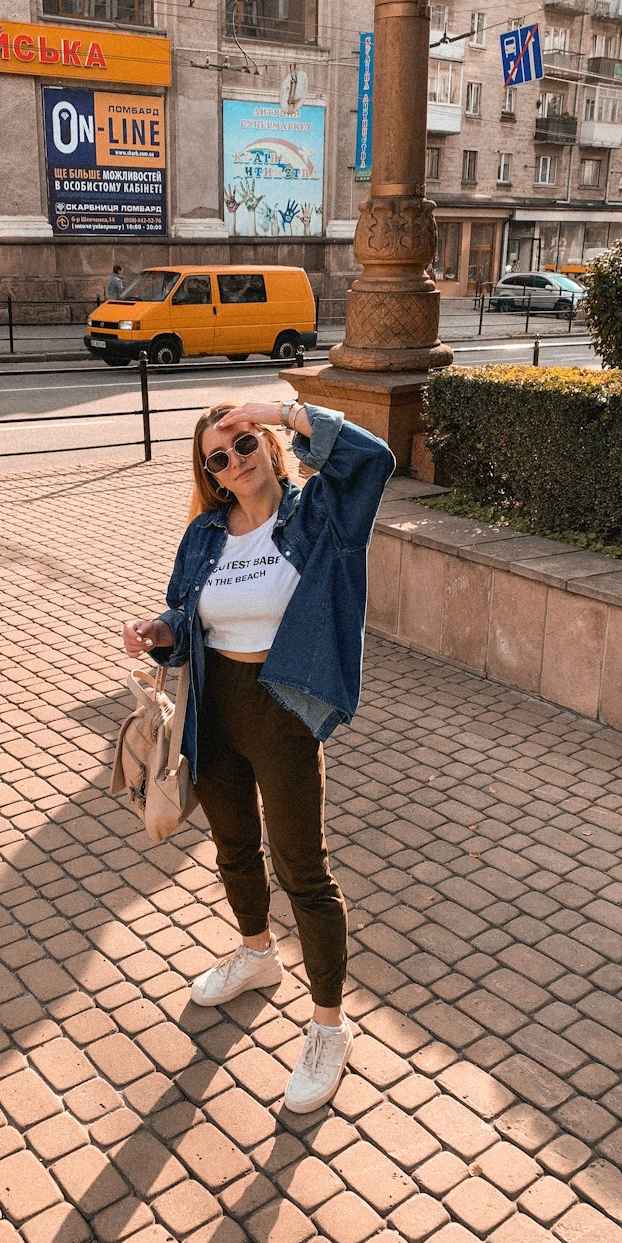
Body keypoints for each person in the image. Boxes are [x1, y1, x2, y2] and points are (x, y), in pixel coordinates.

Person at [122, 399, 394, 1113]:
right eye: (218, 457)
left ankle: (329, 1028)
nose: (235, 460)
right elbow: (187, 619)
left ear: (270, 447)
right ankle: (256, 953)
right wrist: (159, 630)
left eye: (245, 443)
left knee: (303, 868)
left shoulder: (318, 519)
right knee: (233, 847)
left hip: (282, 706)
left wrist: (286, 409)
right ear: (210, 476)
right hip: (215, 703)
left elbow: (373, 460)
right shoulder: (204, 533)